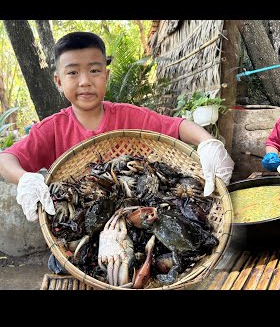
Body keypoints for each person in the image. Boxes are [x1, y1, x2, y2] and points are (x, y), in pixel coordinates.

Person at [0, 31, 235, 224]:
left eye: (94, 70)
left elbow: (177, 126)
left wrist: (207, 142)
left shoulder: (130, 116)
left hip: (141, 215)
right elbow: (6, 159)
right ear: (59, 81)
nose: (85, 81)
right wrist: (24, 179)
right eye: (72, 72)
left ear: (107, 75)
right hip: (80, 226)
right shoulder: (52, 129)